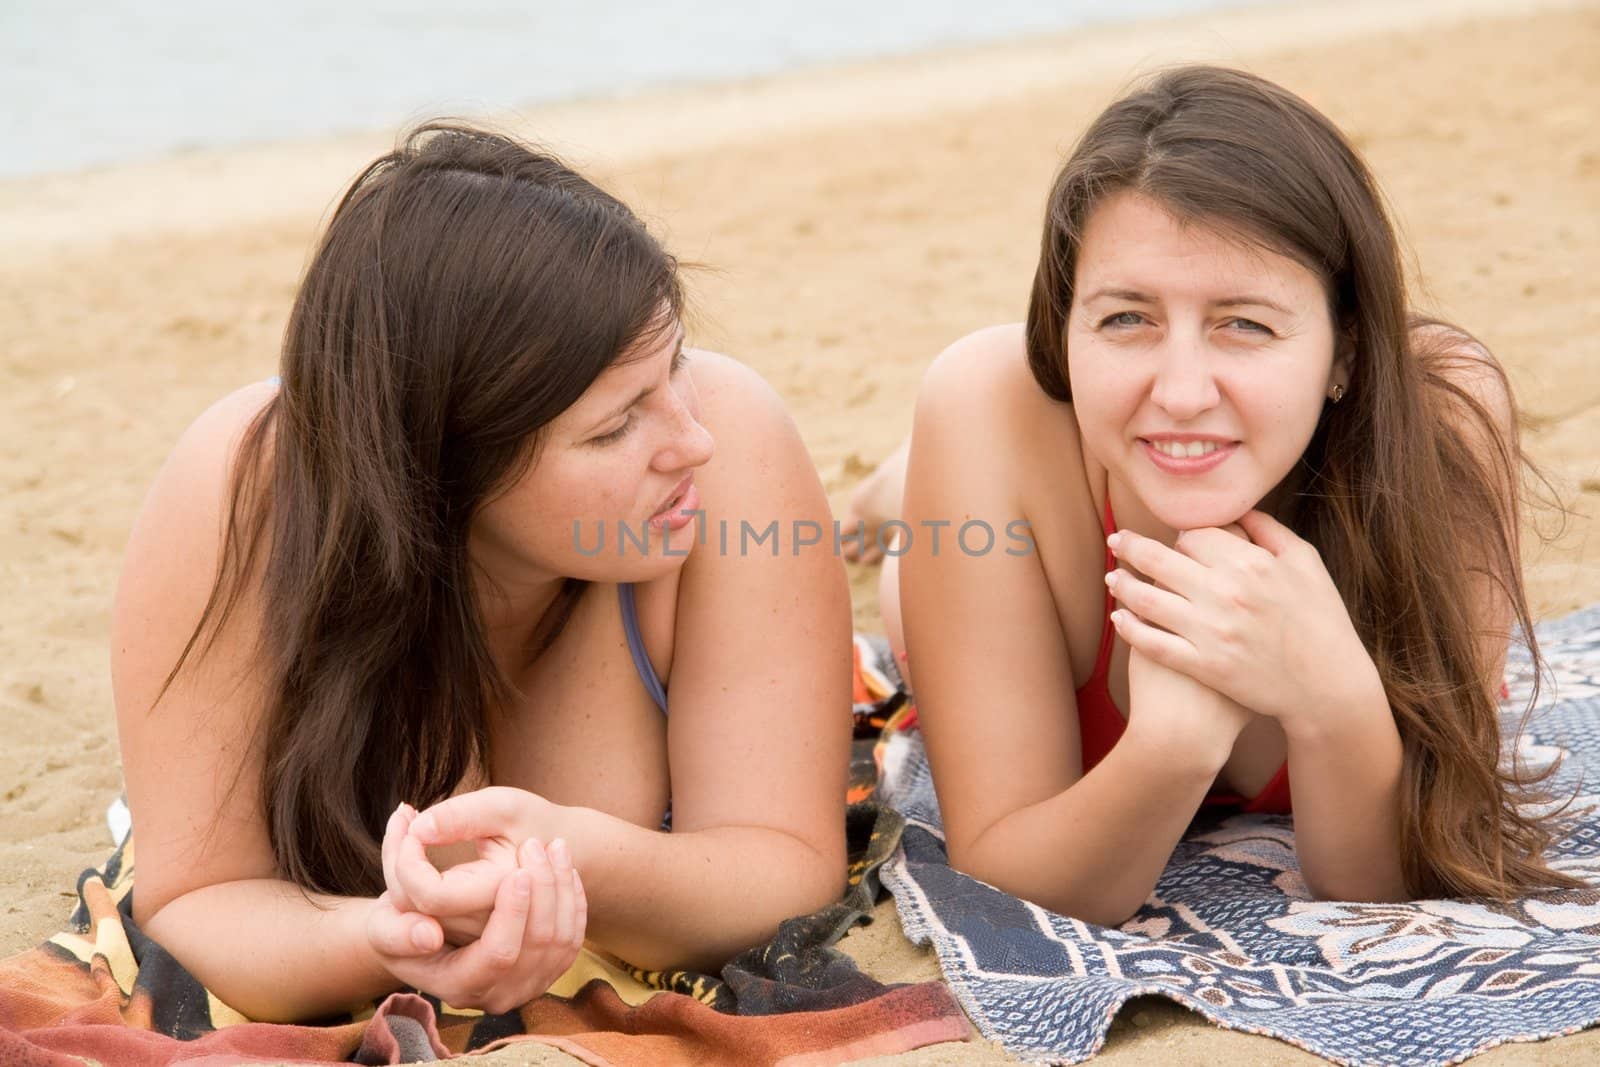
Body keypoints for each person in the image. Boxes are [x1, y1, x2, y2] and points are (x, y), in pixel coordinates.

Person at [112, 124, 851, 1021]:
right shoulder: (244, 496)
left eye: (677, 364)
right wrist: (389, 941)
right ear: (444, 469)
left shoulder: (729, 459)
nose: (690, 438)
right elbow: (195, 895)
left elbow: (787, 863)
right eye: (615, 428)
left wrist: (572, 856)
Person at [847, 66, 1581, 926]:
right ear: (1064, 325)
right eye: (1127, 318)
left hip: (1100, 452)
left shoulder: (1439, 429)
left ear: (1346, 350)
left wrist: (1333, 693)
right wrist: (1173, 744)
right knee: (927, 526)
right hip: (1006, 521)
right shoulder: (984, 401)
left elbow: (1381, 883)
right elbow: (1015, 872)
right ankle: (904, 483)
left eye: (1246, 323)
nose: (1185, 388)